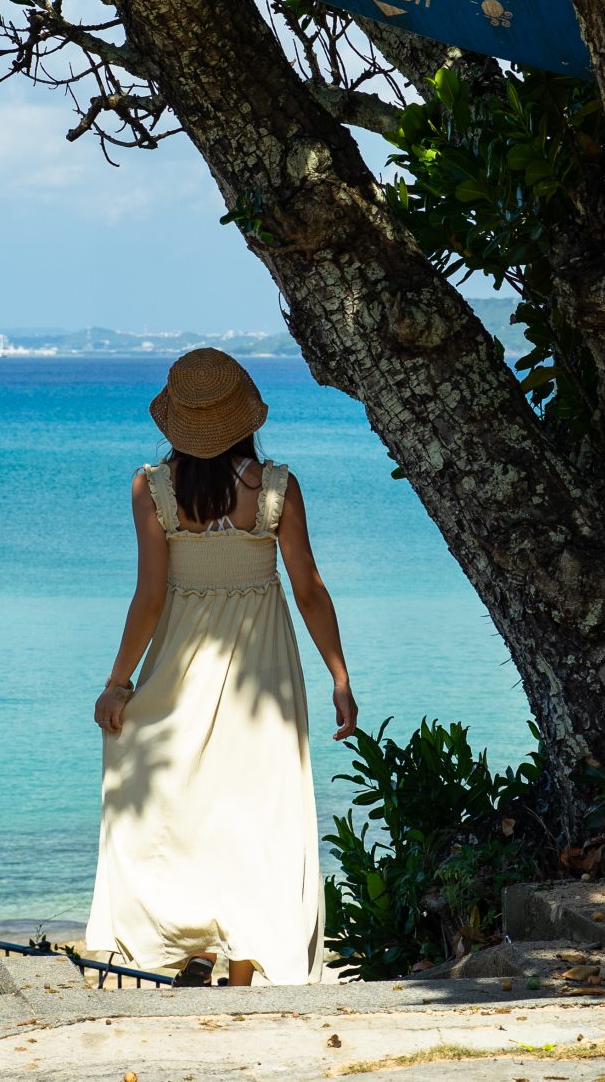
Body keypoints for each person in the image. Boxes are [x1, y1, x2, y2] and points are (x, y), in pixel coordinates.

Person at [84, 348, 358, 988]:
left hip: (181, 666)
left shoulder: (151, 489)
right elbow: (309, 588)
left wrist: (118, 682)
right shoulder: (277, 489)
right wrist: (339, 675)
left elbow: (149, 598)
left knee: (183, 803)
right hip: (264, 670)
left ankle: (188, 946)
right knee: (254, 809)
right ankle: (239, 967)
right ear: (243, 418)